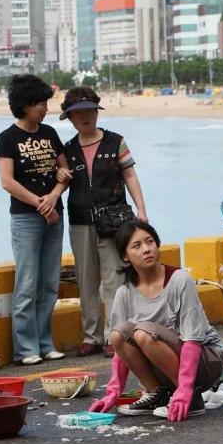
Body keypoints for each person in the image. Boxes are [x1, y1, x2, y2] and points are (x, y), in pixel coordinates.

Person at [88, 220, 223, 421]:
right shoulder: (124, 293)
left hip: (206, 361)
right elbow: (121, 350)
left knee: (143, 333)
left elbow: (193, 340)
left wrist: (185, 390)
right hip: (165, 365)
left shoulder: (179, 280)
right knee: (118, 334)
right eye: (137, 246)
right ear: (125, 256)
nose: (146, 249)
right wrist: (112, 394)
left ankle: (192, 398)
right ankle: (157, 395)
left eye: (149, 242)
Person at [57, 86, 148, 358]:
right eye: (78, 113)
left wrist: (141, 210)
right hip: (80, 221)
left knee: (114, 280)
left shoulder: (115, 141)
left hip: (114, 220)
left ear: (96, 112)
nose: (85, 117)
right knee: (86, 281)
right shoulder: (68, 149)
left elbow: (130, 175)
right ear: (70, 119)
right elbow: (62, 181)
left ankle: (114, 334)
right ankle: (91, 336)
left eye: (89, 111)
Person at [0, 74, 69, 365]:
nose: (45, 109)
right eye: (40, 104)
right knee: (27, 283)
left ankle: (45, 343)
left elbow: (64, 172)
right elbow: (7, 182)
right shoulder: (7, 138)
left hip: (54, 215)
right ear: (25, 105)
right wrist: (41, 203)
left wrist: (54, 195)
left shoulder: (49, 134)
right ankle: (26, 349)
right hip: (27, 218)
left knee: (49, 282)